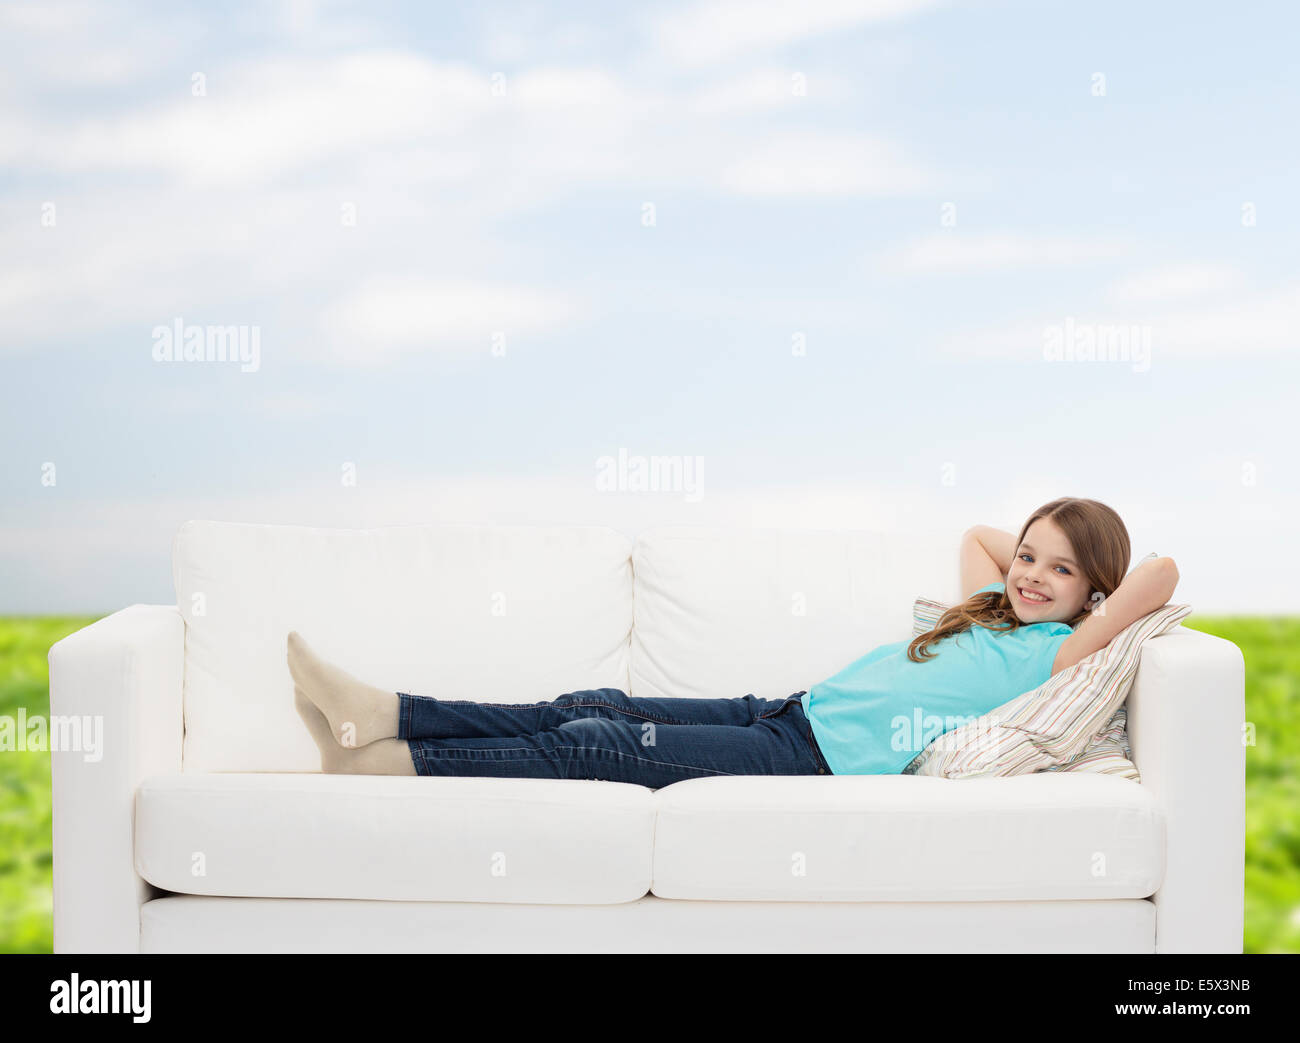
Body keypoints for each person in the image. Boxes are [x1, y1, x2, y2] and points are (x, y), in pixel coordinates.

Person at [289, 496, 1179, 785]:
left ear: (1092, 593)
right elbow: (981, 544)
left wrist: (1094, 599)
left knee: (592, 746)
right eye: (1029, 556)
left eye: (1058, 571)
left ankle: (396, 761)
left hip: (813, 759)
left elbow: (1161, 574)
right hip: (788, 710)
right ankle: (390, 711)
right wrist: (1028, 552)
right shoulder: (990, 605)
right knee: (587, 704)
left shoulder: (1057, 651)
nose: (1028, 574)